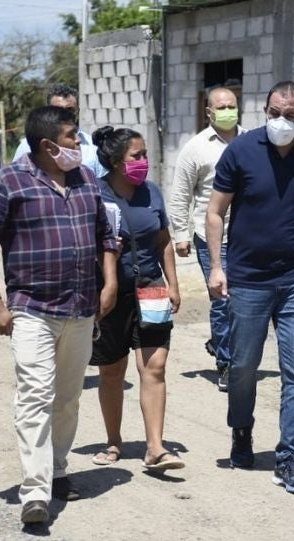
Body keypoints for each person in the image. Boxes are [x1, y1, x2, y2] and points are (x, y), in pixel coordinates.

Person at [0, 105, 118, 524]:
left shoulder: (86, 179)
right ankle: (34, 491)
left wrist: (109, 283)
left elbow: (105, 235)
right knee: (35, 393)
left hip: (81, 307)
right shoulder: (7, 182)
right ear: (48, 145)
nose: (80, 144)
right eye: (73, 136)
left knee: (68, 399)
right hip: (31, 308)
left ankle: (55, 469)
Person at [206, 81, 294, 496]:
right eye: (275, 112)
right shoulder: (240, 151)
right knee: (243, 368)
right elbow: (215, 212)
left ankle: (289, 457)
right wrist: (215, 266)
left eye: (291, 115)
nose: (282, 120)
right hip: (247, 279)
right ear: (264, 110)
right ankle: (241, 432)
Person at [89, 126, 184, 470]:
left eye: (145, 155)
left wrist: (172, 284)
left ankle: (155, 447)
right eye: (137, 156)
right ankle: (113, 442)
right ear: (115, 162)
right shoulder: (94, 194)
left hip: (152, 288)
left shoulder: (152, 192)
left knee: (154, 367)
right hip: (109, 295)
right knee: (112, 371)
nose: (144, 162)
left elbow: (163, 241)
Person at [168, 86, 244, 392]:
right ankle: (226, 363)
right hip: (211, 236)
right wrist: (181, 235)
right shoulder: (196, 148)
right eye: (220, 107)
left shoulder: (252, 141)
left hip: (249, 237)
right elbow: (181, 194)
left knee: (245, 302)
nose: (227, 111)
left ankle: (230, 349)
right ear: (208, 112)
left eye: (232, 105)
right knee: (223, 299)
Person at [12, 84, 106, 177]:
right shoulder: (27, 146)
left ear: (78, 111)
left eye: (70, 110)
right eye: (58, 109)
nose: (65, 114)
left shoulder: (92, 145)